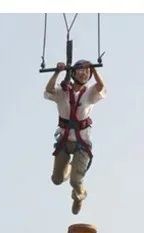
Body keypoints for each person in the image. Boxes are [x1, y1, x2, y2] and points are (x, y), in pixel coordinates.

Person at [44, 59, 106, 215]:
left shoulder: (89, 94)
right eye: (81, 70)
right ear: (73, 73)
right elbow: (49, 89)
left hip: (81, 144)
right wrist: (58, 72)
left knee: (75, 181)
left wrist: (95, 70)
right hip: (64, 142)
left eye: (87, 72)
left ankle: (79, 196)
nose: (84, 74)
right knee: (56, 179)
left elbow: (101, 87)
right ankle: (70, 168)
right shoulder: (62, 91)